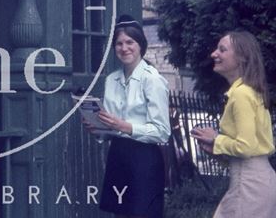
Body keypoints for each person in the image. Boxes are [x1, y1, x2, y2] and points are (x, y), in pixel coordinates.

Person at [86, 15, 170, 218]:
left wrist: (125, 126)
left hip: (145, 160)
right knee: (120, 215)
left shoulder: (152, 80)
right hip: (118, 155)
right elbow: (112, 128)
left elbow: (162, 133)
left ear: (140, 44)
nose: (124, 48)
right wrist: (98, 127)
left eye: (129, 42)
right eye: (119, 43)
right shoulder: (111, 80)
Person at [191, 31, 276, 217]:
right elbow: (248, 150)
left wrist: (216, 139)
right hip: (257, 182)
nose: (214, 54)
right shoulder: (249, 92)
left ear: (242, 58)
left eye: (222, 49)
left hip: (250, 186)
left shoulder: (241, 94)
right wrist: (216, 149)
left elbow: (245, 147)